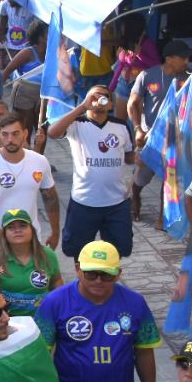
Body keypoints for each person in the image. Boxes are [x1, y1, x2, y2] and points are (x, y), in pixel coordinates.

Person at [37, 241, 160, 382]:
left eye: (106, 275)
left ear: (118, 274)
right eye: (91, 274)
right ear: (78, 269)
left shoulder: (136, 303)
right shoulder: (54, 302)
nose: (98, 281)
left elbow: (144, 352)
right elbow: (41, 354)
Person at [48, 84, 136, 259]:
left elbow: (129, 157)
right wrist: (81, 107)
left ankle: (108, 281)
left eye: (104, 97)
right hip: (84, 201)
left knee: (119, 249)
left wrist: (142, 152)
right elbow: (53, 132)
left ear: (111, 104)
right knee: (77, 250)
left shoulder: (120, 126)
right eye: (94, 97)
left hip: (116, 201)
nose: (99, 100)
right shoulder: (76, 124)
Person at [129, 40, 192, 221]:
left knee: (169, 178)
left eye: (188, 58)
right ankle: (135, 196)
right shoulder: (148, 75)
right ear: (169, 59)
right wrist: (138, 129)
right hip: (151, 137)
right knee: (142, 177)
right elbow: (133, 103)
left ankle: (163, 217)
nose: (186, 62)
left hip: (176, 138)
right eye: (182, 58)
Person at [0, 112, 60, 248]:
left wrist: (55, 232)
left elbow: (50, 198)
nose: (10, 139)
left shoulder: (40, 161)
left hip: (31, 241)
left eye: (15, 134)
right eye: (5, 134)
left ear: (25, 133)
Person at [0, 209, 63, 316]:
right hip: (6, 319)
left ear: (32, 230)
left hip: (43, 317)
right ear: (4, 234)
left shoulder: (47, 254)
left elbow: (56, 282)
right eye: (11, 227)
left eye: (23, 226)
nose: (17, 230)